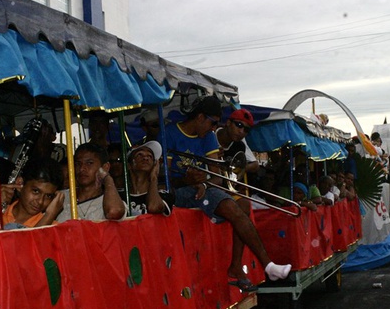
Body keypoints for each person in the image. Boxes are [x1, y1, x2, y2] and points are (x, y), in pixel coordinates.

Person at [165, 95, 291, 290]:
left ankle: (251, 265)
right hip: (177, 191)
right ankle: (265, 266)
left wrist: (204, 184)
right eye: (213, 123)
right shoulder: (170, 134)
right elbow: (163, 179)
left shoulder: (207, 137)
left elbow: (216, 177)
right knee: (233, 206)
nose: (215, 128)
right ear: (200, 118)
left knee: (242, 204)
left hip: (201, 190)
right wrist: (186, 180)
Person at [0, 159, 65, 229]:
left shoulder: (52, 228)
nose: (40, 201)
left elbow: (29, 245)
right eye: (36, 191)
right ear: (20, 183)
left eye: (48, 196)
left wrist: (49, 216)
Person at [56, 143, 126, 222]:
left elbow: (114, 212)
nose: (82, 169)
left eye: (89, 163)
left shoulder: (110, 201)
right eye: (78, 164)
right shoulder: (61, 197)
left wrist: (107, 178)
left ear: (105, 167)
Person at [123, 141, 174, 216]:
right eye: (139, 155)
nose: (145, 158)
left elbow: (154, 207)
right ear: (129, 165)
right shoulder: (119, 195)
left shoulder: (163, 195)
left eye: (150, 156)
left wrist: (154, 178)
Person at [216, 108, 259, 175]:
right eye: (239, 125)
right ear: (228, 122)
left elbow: (255, 165)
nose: (241, 131)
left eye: (246, 130)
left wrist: (237, 171)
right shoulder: (210, 132)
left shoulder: (240, 146)